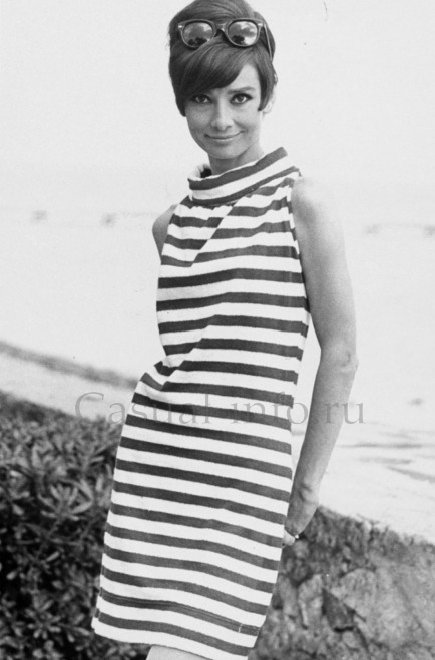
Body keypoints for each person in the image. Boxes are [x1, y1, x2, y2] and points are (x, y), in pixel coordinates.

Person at [91, 1, 358, 659]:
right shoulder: (170, 225)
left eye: (239, 97)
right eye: (201, 100)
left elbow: (341, 352)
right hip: (161, 469)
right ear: (180, 104)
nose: (220, 119)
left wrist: (305, 485)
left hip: (244, 484)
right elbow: (192, 352)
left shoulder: (300, 202)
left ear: (267, 95)